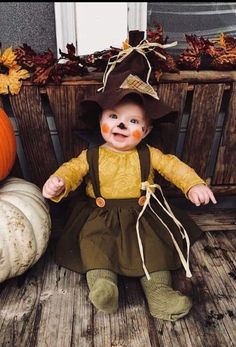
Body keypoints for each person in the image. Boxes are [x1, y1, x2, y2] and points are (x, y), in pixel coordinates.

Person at [42, 31, 217, 321]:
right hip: (100, 216)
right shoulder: (92, 155)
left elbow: (174, 167)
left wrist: (193, 184)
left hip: (142, 215)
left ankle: (159, 293)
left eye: (133, 121)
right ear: (100, 120)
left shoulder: (150, 154)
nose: (121, 125)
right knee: (95, 246)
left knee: (155, 250)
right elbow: (72, 170)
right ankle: (103, 285)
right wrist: (58, 182)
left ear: (146, 130)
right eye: (113, 117)